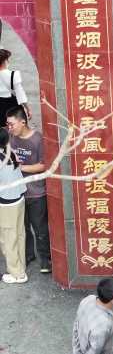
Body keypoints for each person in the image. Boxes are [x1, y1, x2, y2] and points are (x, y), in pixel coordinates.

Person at [6, 107, 50, 273]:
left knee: (40, 228)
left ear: (22, 122)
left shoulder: (38, 140)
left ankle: (46, 260)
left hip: (36, 193)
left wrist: (19, 166)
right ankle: (28, 254)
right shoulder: (10, 137)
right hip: (17, 193)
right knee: (22, 227)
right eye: (8, 125)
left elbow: (44, 165)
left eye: (12, 124)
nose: (10, 128)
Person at [0, 127, 27, 284]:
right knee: (19, 234)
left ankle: (17, 274)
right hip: (19, 199)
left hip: (6, 205)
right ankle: (20, 266)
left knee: (7, 239)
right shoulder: (11, 153)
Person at [72, 278, 113, 354]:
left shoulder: (88, 299)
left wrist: (76, 350)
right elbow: (94, 351)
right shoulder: (104, 324)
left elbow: (76, 325)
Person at [0, 49, 30, 126]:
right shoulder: (13, 75)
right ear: (5, 61)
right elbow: (20, 94)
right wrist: (28, 109)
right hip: (12, 107)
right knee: (16, 130)